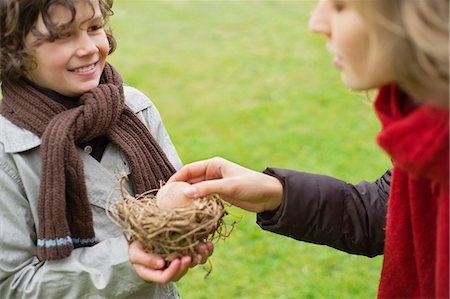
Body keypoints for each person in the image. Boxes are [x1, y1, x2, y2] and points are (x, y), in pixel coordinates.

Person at [168, 0, 449, 298]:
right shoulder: (426, 128)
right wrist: (276, 193)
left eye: (341, 6)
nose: (317, 22)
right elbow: (392, 213)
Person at [0, 0, 212, 297]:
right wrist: (129, 259)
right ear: (11, 50)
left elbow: (174, 200)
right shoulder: (7, 152)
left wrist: (185, 226)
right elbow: (12, 284)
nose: (88, 47)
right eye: (62, 35)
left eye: (94, 27)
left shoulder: (134, 108)